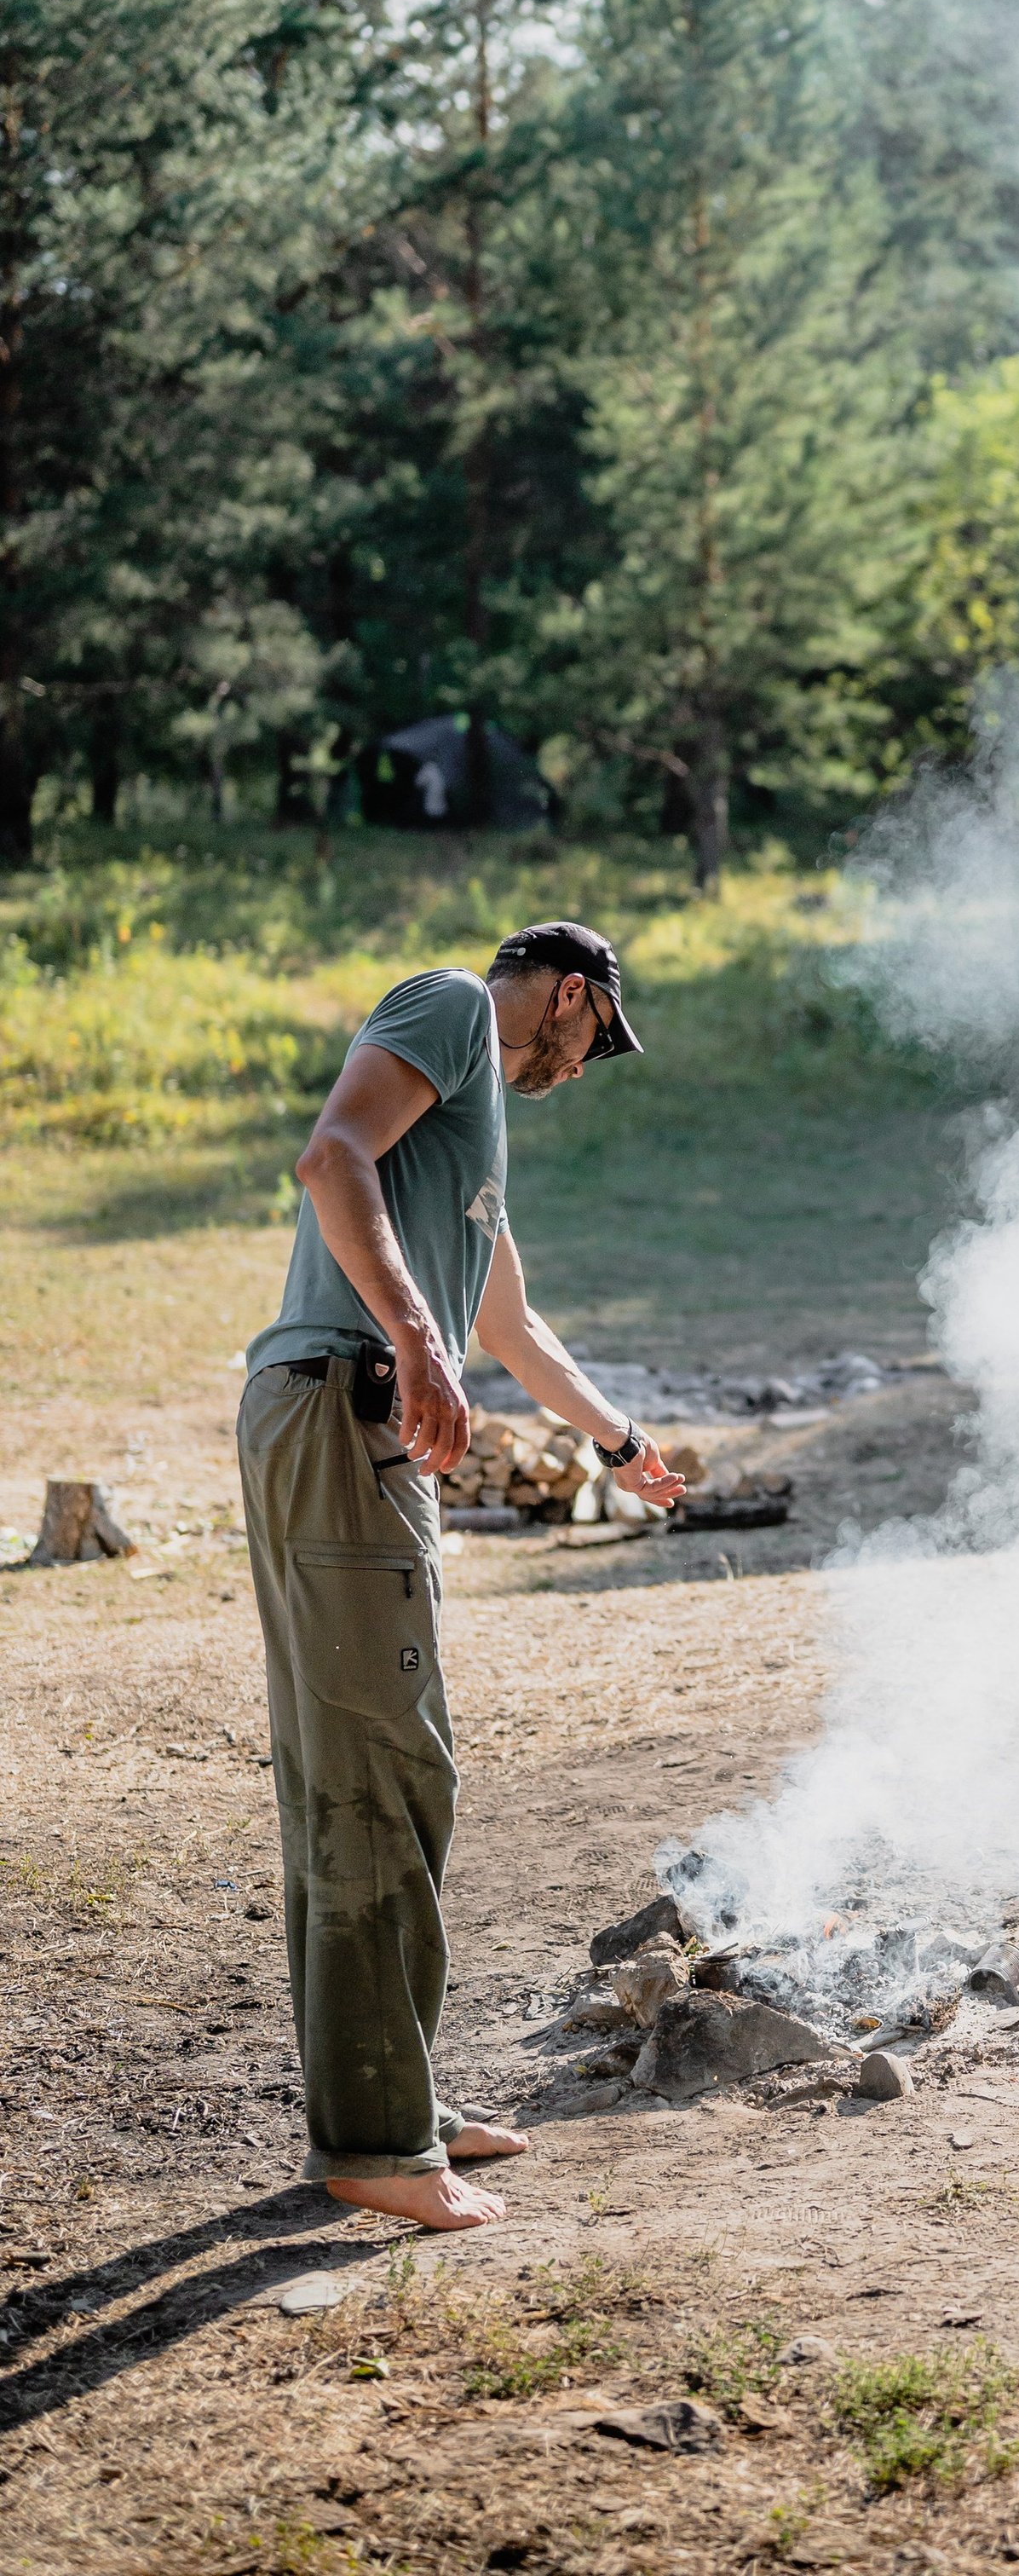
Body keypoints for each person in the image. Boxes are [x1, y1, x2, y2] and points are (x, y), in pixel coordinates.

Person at [237, 920, 684, 2232]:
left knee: (386, 1768)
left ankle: (397, 2106)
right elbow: (330, 1160)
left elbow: (512, 1325)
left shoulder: (476, 1130)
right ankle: (374, 2141)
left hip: (361, 1425)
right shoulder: (444, 1007)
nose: (589, 1061)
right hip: (340, 1407)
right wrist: (413, 1336)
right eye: (598, 1034)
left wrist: (623, 1444)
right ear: (570, 993)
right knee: (376, 1770)